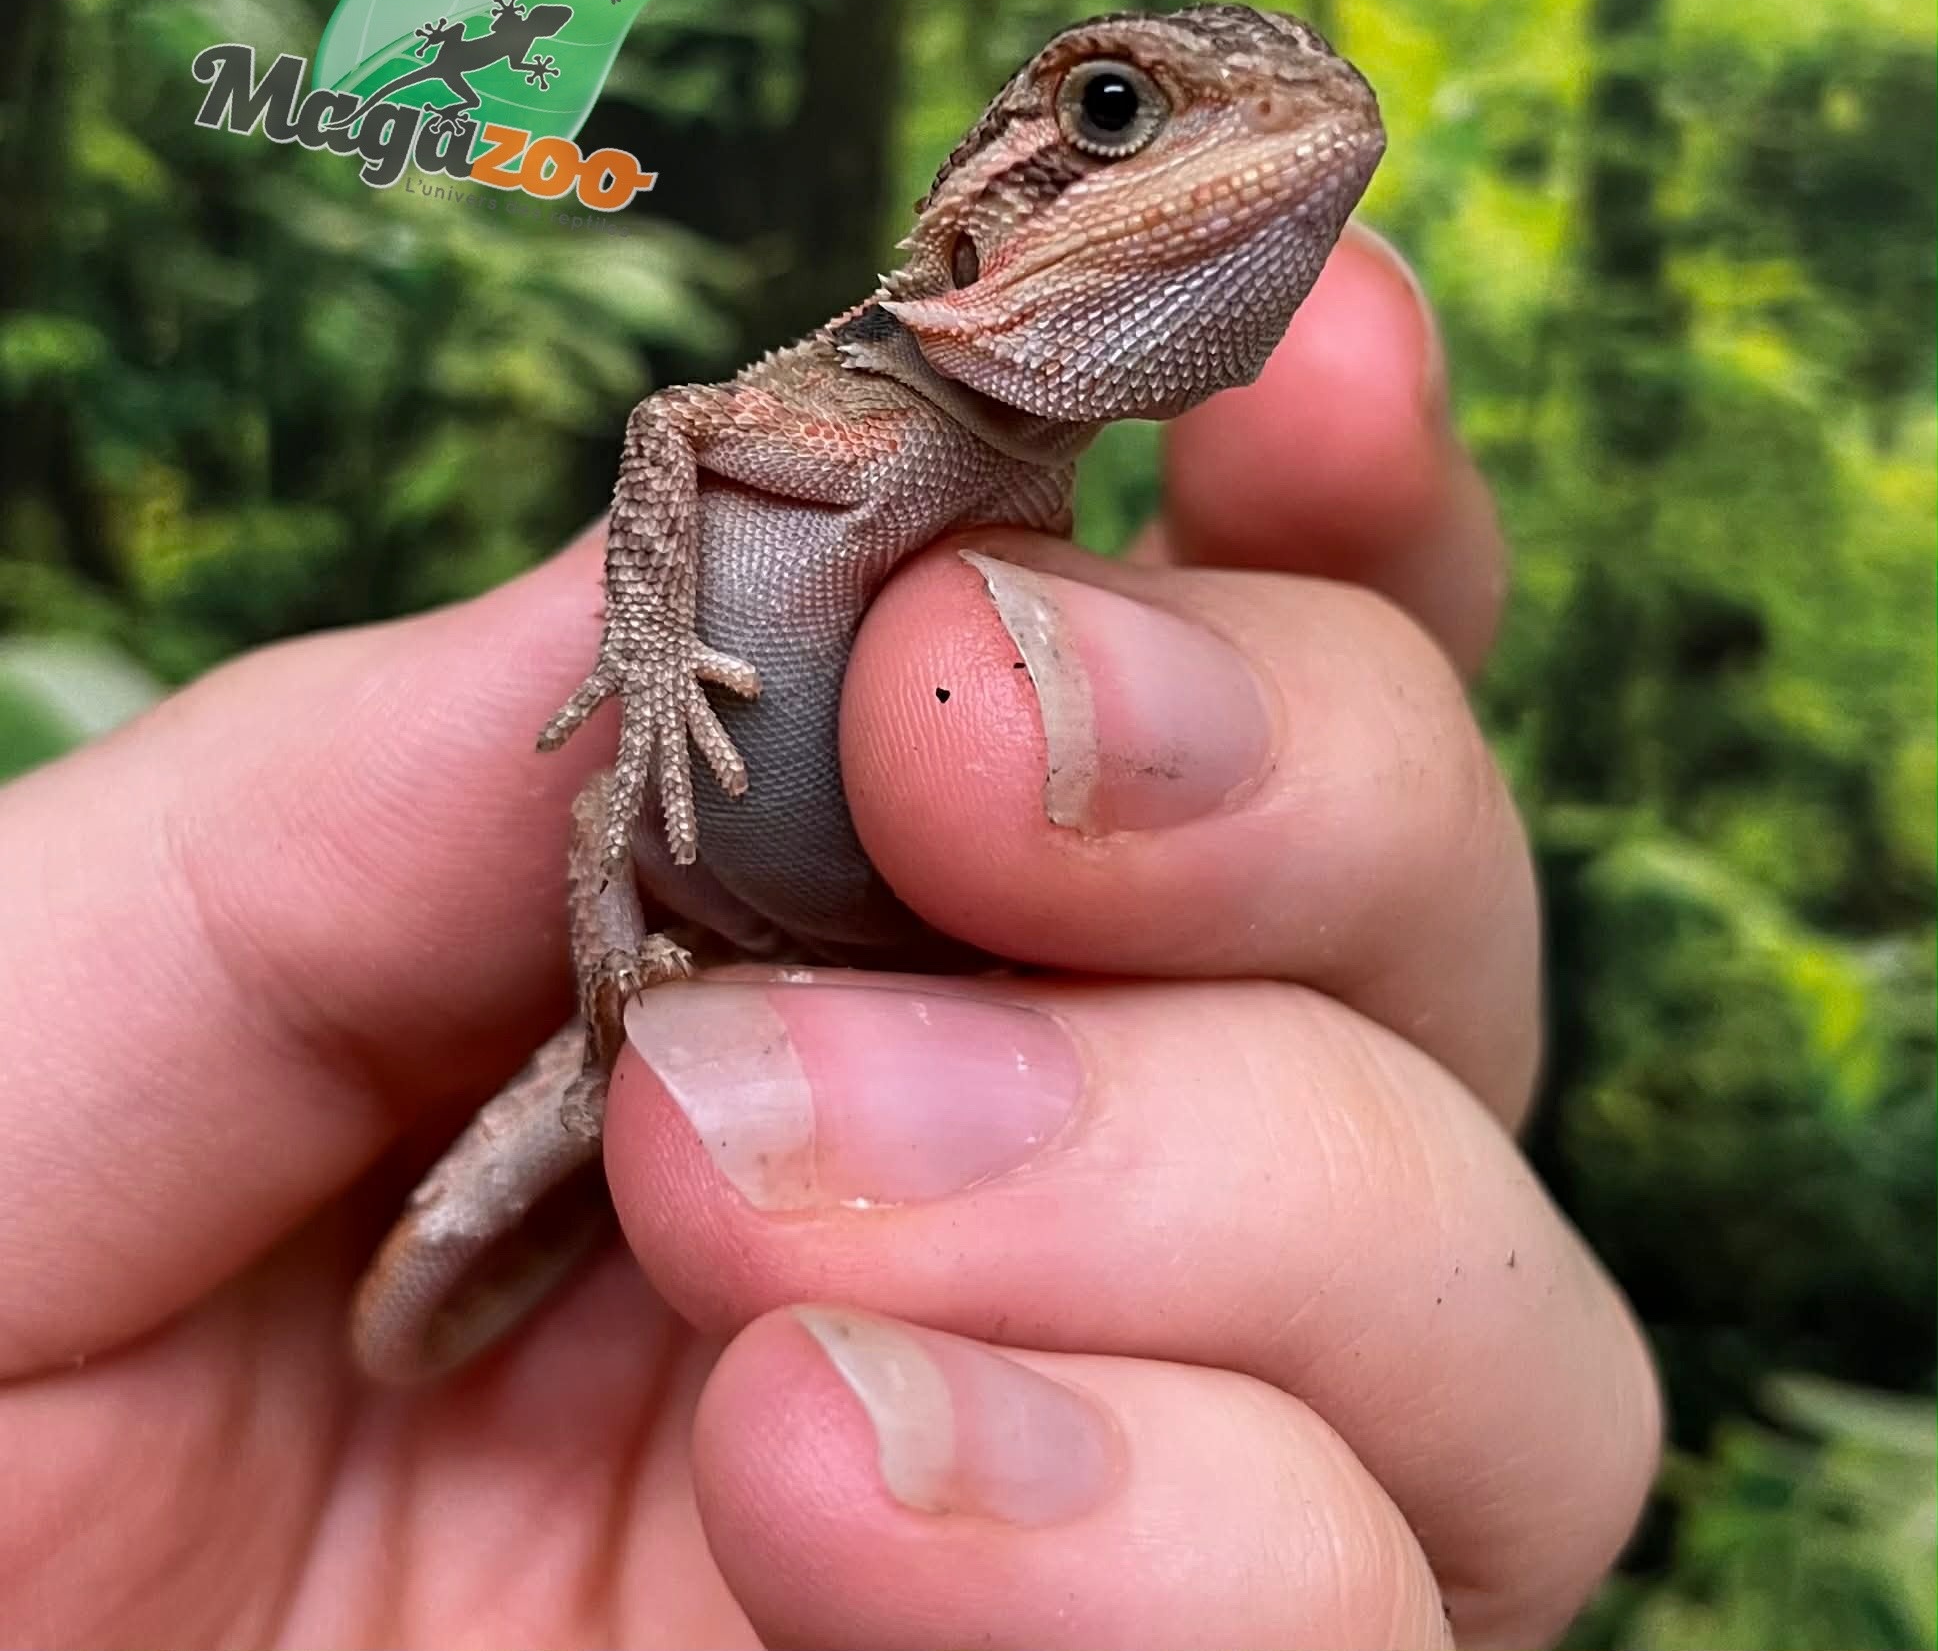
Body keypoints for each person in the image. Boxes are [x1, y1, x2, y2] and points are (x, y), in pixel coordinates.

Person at [0, 228, 1660, 1650]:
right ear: (971, 243)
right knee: (603, 827)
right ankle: (619, 1021)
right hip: (665, 920)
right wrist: (647, 648)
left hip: (820, 988)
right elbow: (672, 424)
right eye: (1110, 114)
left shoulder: (1026, 479)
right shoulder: (865, 411)